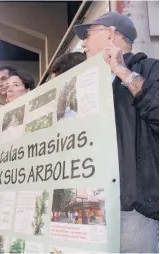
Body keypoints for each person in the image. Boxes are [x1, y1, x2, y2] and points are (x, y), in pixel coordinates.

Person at [74, 12, 159, 253]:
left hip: (132, 209)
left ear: (111, 34)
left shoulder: (150, 69)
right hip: (89, 206)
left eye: (88, 35)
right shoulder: (85, 82)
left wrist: (122, 71)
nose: (83, 43)